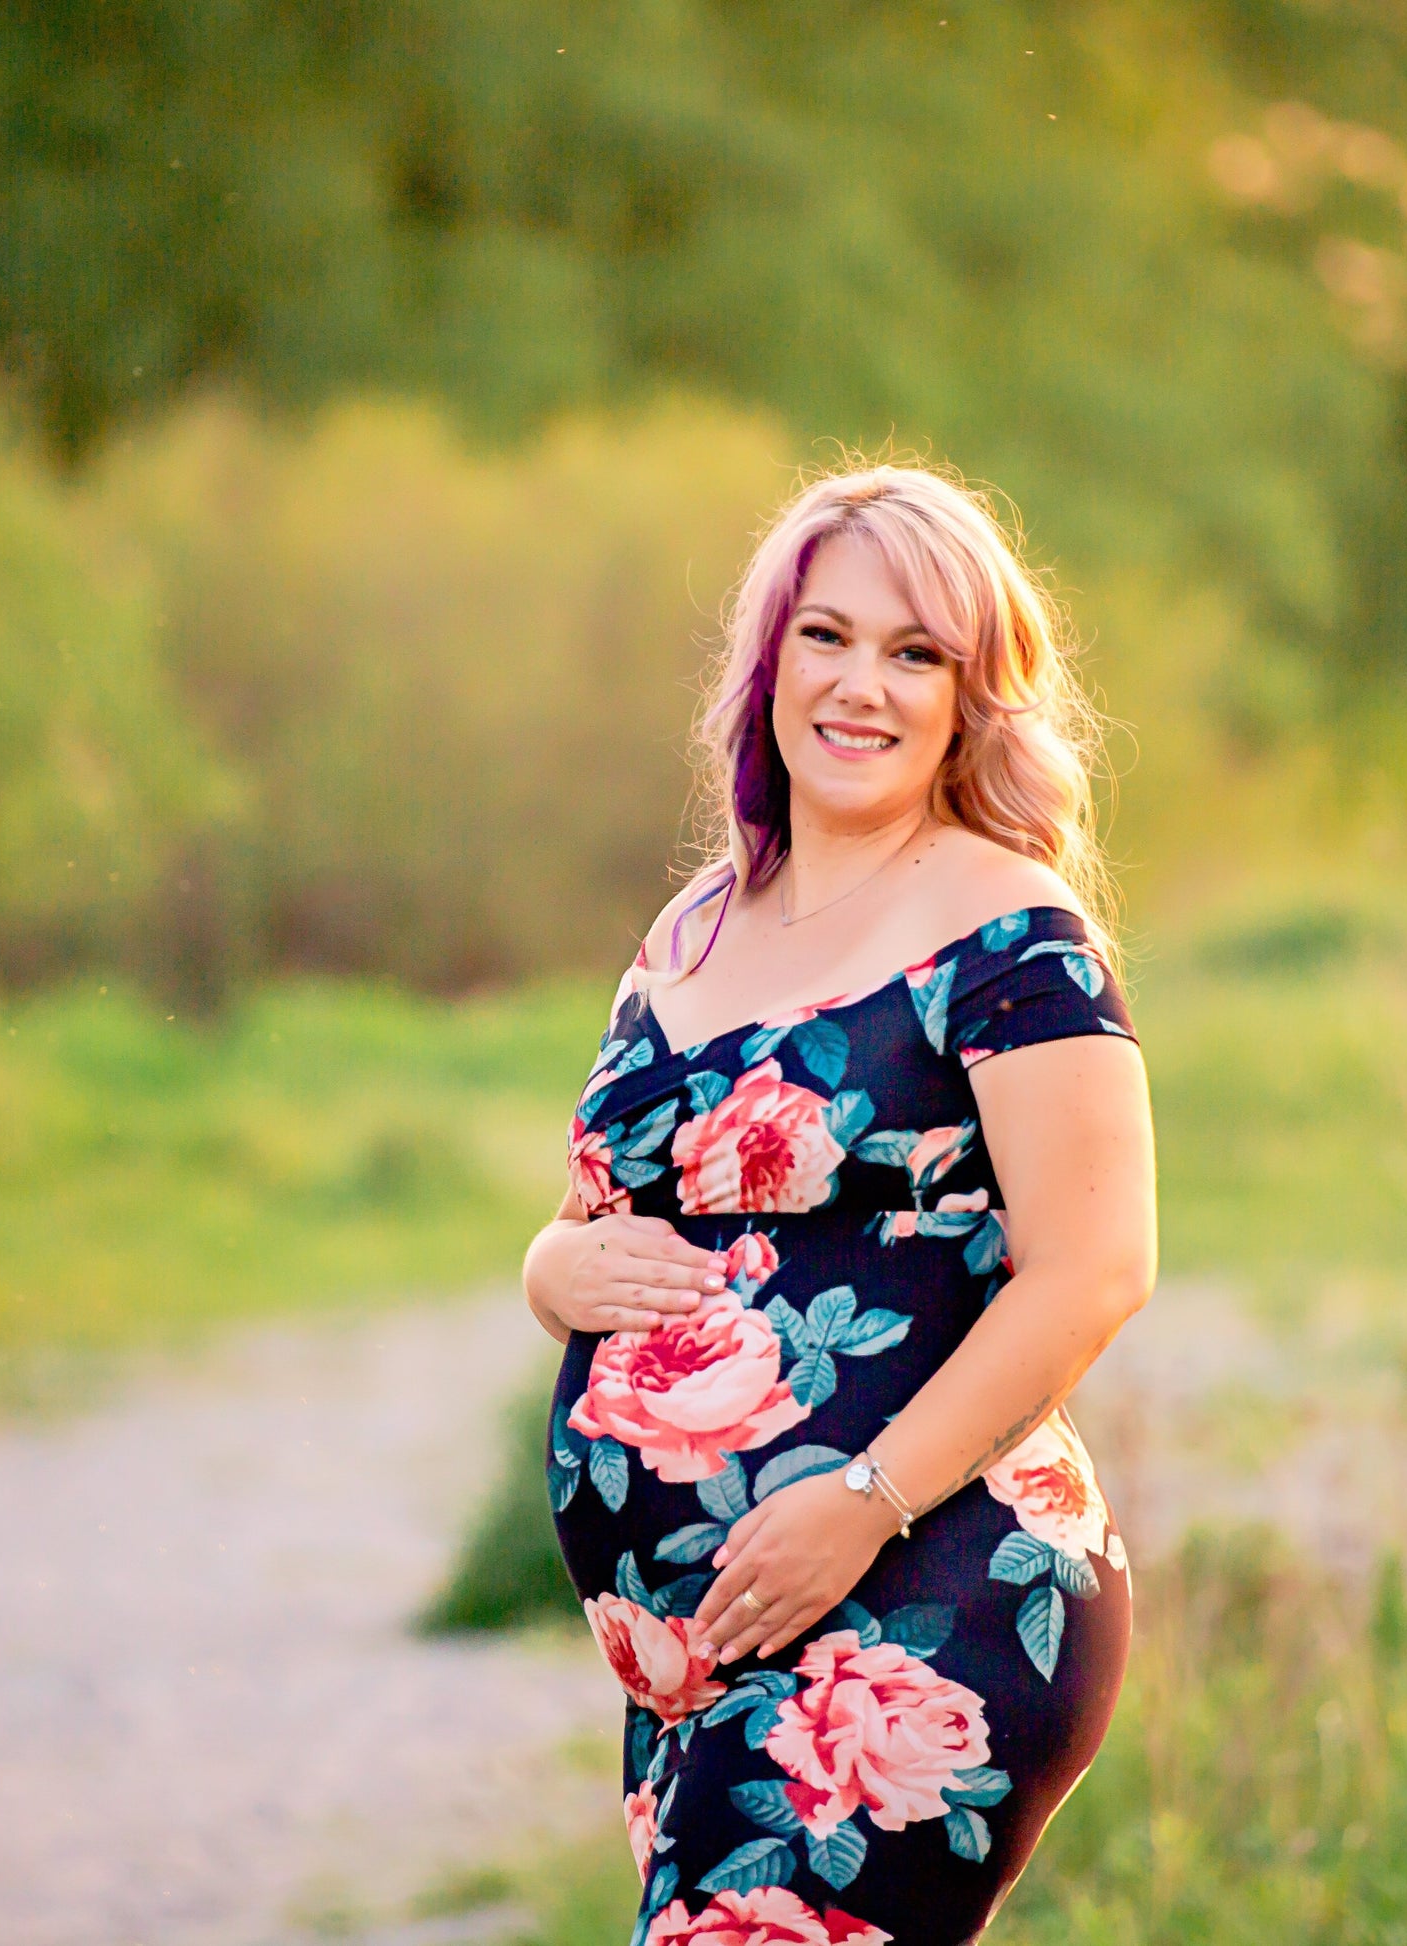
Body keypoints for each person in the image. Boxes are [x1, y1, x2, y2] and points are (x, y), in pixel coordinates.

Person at [521, 463, 1158, 1946]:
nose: (860, 683)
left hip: (918, 1601)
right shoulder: (691, 925)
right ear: (767, 660)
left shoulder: (1010, 931)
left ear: (968, 697)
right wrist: (553, 1270)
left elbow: (1097, 1266)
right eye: (828, 635)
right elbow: (589, 1214)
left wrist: (860, 1501)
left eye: (915, 651)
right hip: (700, 1661)